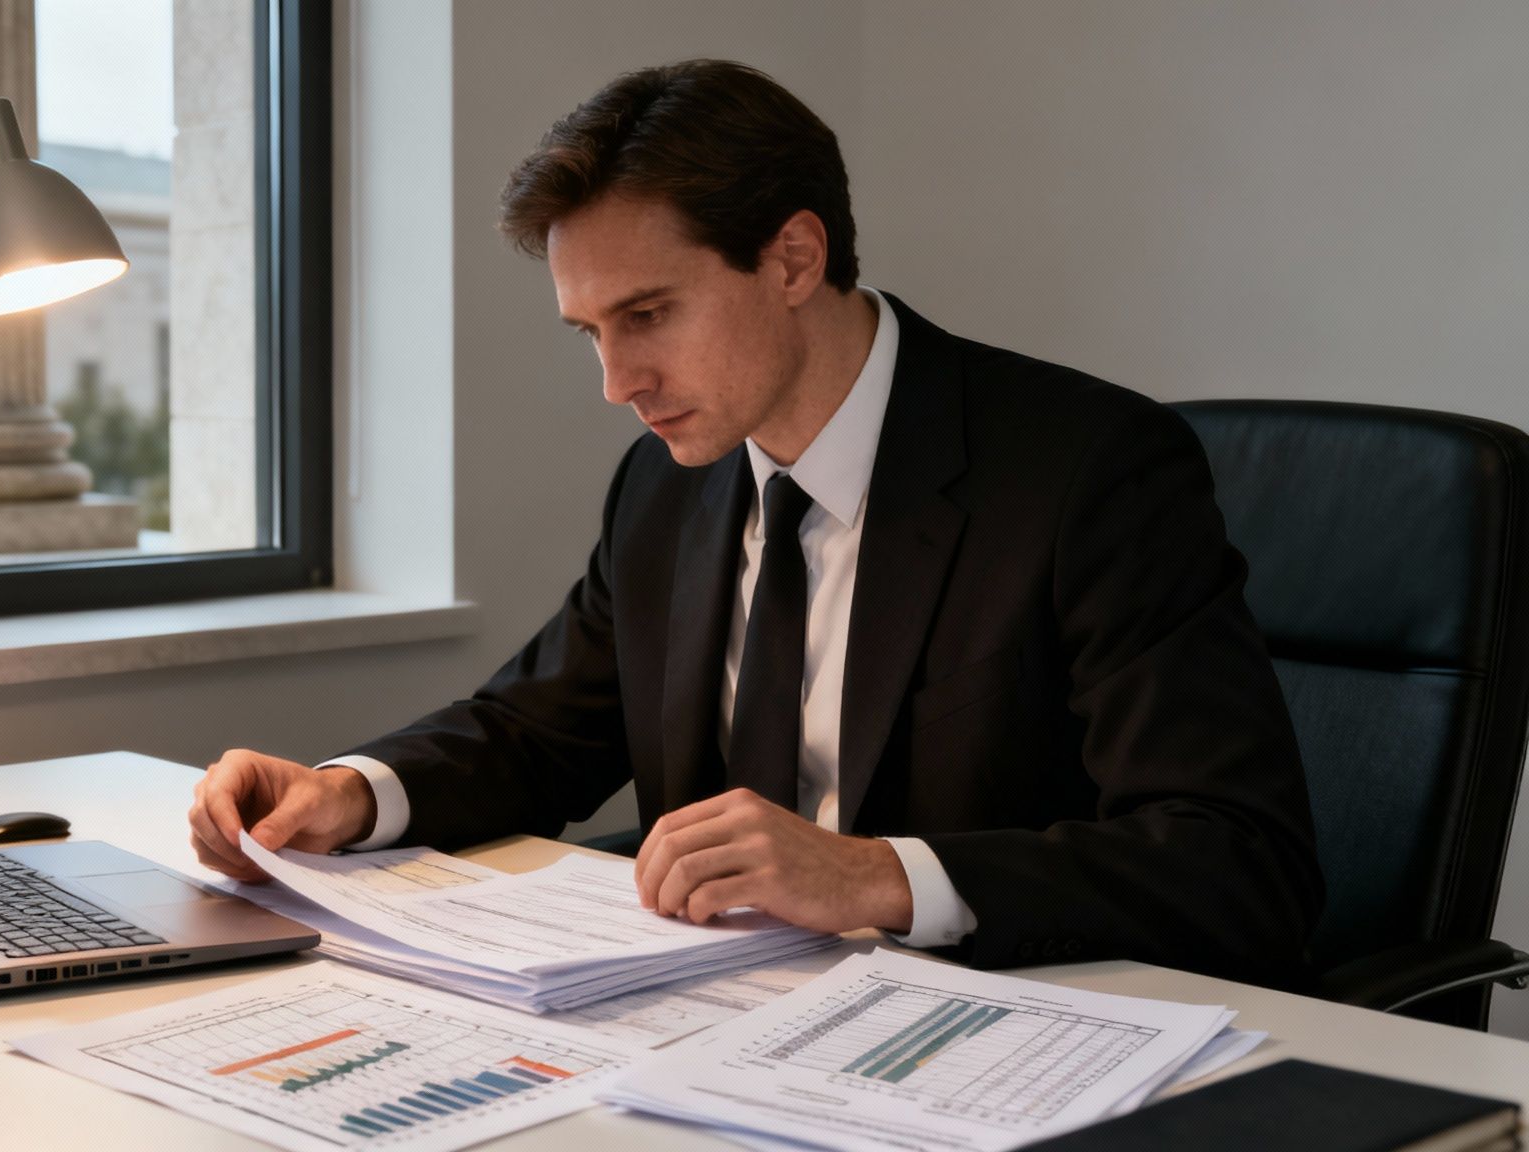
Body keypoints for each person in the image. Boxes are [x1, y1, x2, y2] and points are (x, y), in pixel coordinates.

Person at [188, 59, 1323, 982]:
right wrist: (350, 790)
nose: (617, 381)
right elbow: (539, 729)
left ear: (792, 257)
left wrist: (875, 875)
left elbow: (1235, 863)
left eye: (648, 314)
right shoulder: (667, 484)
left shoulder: (1084, 471)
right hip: (715, 1023)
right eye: (588, 331)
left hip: (988, 1024)